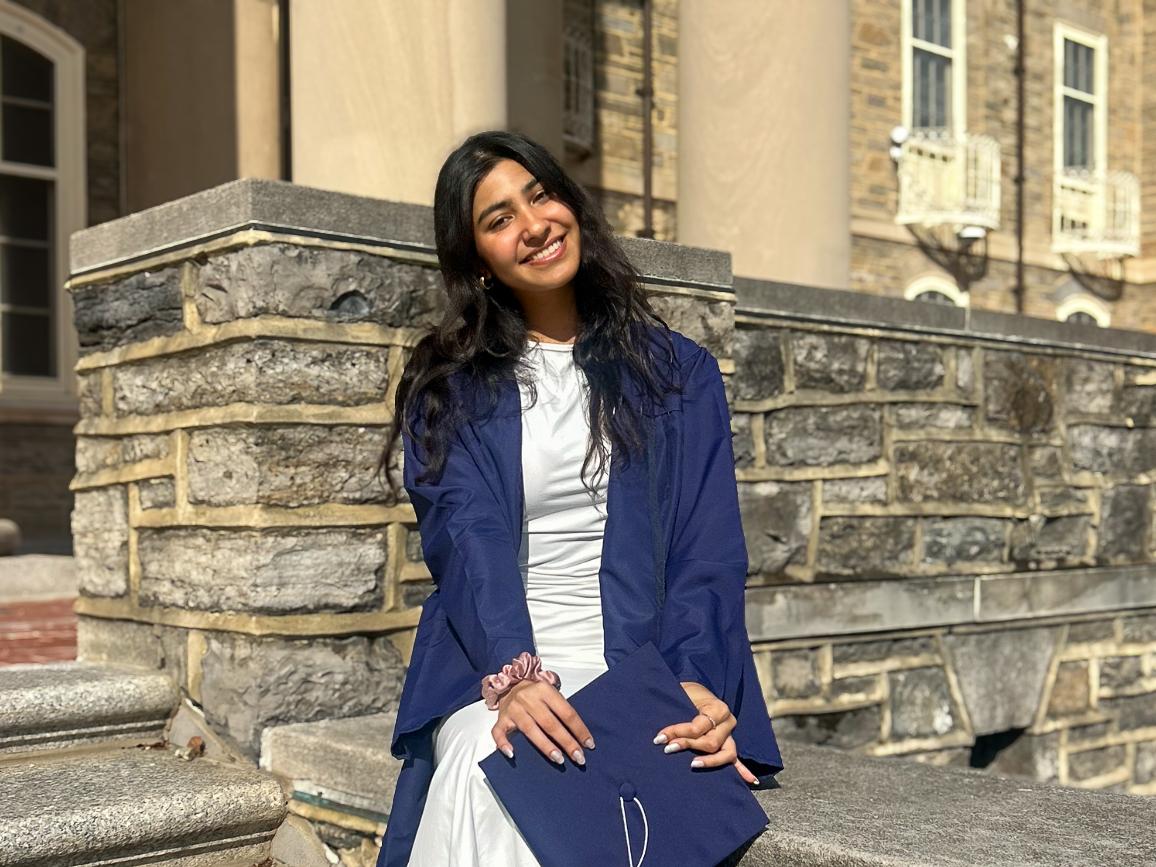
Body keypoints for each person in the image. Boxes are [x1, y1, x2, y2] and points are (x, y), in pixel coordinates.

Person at [374, 130, 783, 867]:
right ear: (478, 262)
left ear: (571, 204)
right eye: (498, 219)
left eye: (540, 195)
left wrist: (690, 679)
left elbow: (708, 548)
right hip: (496, 662)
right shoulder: (453, 388)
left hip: (643, 660)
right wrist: (516, 678)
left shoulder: (676, 373)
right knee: (497, 764)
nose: (532, 225)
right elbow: (467, 545)